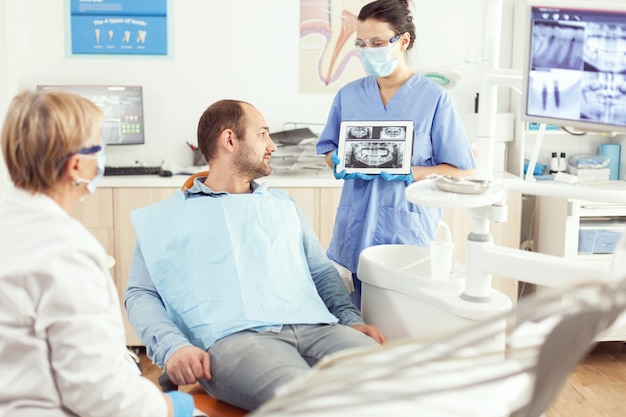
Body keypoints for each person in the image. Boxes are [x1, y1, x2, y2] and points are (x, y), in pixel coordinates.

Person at [124, 99, 386, 412]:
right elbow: (141, 294)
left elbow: (320, 272)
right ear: (230, 140)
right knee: (306, 401)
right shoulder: (167, 218)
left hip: (318, 328)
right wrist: (172, 347)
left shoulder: (281, 204)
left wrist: (350, 320)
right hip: (234, 340)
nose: (272, 145)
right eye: (263, 134)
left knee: (392, 382)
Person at [0, 90, 195, 417]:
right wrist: (171, 407)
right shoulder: (65, 249)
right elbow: (101, 394)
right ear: (76, 165)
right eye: (98, 147)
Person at [316, 0, 476, 309]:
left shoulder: (434, 100)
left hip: (405, 229)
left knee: (402, 322)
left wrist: (409, 172)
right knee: (356, 325)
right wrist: (335, 160)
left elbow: (462, 170)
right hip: (354, 228)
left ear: (403, 41)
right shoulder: (349, 96)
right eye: (361, 44)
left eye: (377, 43)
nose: (367, 51)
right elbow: (329, 148)